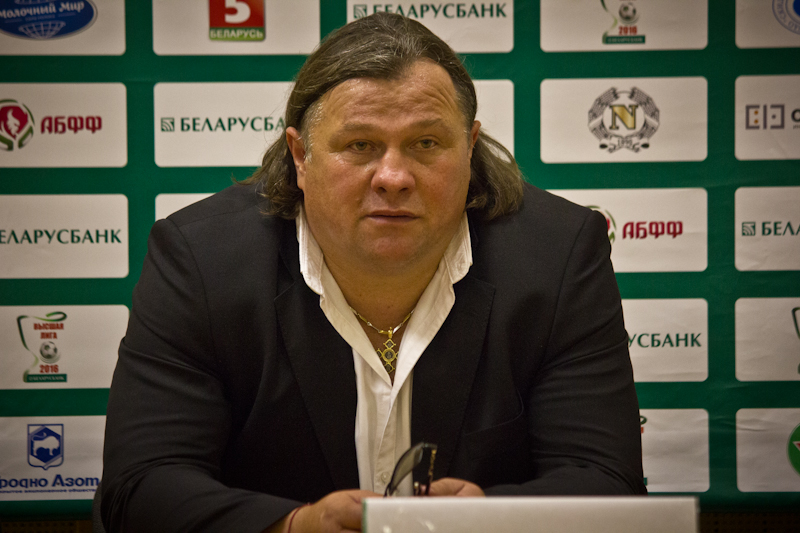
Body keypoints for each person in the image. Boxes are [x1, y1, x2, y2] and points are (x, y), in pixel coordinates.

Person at [101, 12, 646, 533]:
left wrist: (491, 520)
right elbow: (140, 489)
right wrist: (294, 526)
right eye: (360, 145)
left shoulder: (559, 256)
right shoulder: (201, 261)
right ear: (300, 155)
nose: (393, 176)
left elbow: (607, 482)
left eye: (426, 144)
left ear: (470, 148)